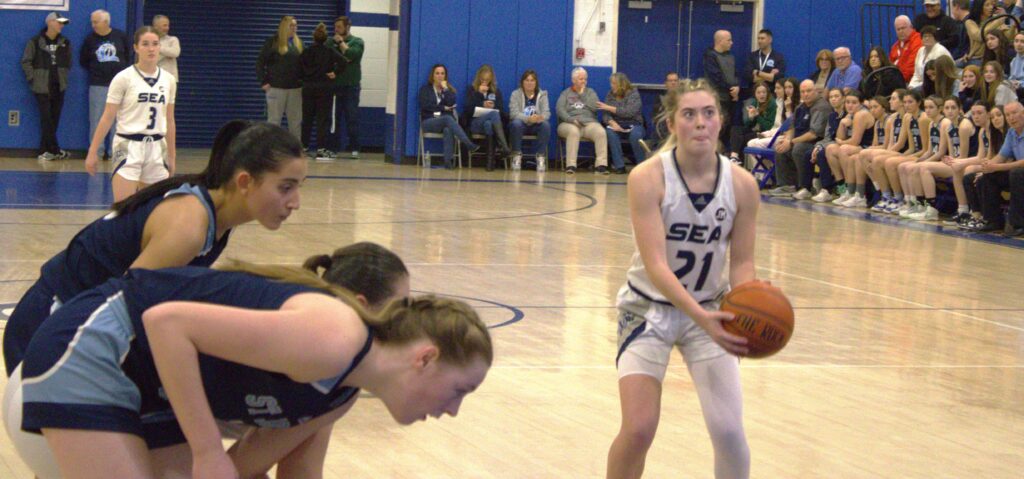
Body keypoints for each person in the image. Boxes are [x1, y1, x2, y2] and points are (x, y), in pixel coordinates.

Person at [9, 261, 490, 478]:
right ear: (425, 357)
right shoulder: (334, 338)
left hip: (148, 381)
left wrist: (214, 460)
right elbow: (165, 322)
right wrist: (205, 452)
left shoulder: (340, 392)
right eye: (459, 390)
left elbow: (239, 467)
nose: (453, 411)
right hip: (96, 342)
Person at [3, 120, 306, 378]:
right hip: (49, 328)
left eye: (298, 187)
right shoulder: (188, 224)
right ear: (244, 182)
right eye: (285, 187)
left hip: (75, 325)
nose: (295, 202)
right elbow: (122, 311)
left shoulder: (215, 217)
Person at [606, 78, 759, 479]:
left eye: (708, 113)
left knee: (729, 432)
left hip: (710, 309)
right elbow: (657, 265)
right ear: (672, 124)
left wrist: (748, 306)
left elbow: (742, 262)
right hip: (647, 309)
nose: (700, 123)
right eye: (688, 115)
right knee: (639, 429)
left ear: (721, 121)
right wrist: (701, 317)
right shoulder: (647, 177)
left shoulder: (742, 185)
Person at [84, 27, 177, 202]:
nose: (151, 49)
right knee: (124, 208)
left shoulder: (169, 80)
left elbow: (170, 120)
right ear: (136, 48)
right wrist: (93, 150)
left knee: (154, 210)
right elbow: (107, 117)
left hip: (157, 146)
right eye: (145, 44)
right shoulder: (123, 78)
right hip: (128, 145)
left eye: (155, 44)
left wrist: (172, 156)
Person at [21, 12, 72, 162]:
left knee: (54, 119)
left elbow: (68, 62)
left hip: (59, 85)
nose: (61, 25)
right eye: (59, 22)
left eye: (63, 23)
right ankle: (55, 150)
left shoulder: (65, 42)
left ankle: (44, 151)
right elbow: (26, 61)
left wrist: (64, 77)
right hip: (42, 86)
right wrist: (33, 79)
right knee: (46, 118)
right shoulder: (35, 41)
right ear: (50, 22)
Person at [81, 9, 130, 162]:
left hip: (119, 85)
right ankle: (96, 151)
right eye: (92, 22)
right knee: (96, 119)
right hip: (98, 85)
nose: (93, 25)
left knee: (119, 120)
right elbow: (83, 60)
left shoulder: (120, 36)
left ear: (105, 22)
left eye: (96, 22)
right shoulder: (90, 40)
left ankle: (115, 152)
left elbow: (128, 56)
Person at [769, 80, 831, 197]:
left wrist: (791, 142)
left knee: (798, 149)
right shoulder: (800, 107)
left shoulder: (821, 107)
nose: (806, 94)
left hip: (817, 143)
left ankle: (805, 186)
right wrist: (787, 140)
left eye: (809, 91)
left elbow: (814, 134)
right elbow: (792, 127)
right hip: (799, 141)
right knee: (780, 147)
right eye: (803, 92)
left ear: (816, 91)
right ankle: (786, 185)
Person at [975, 101, 1024, 235]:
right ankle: (993, 221)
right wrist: (988, 166)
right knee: (987, 176)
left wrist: (997, 166)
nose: (1011, 118)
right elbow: (1001, 156)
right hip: (1018, 174)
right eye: (1007, 115)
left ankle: (1018, 224)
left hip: (1020, 172)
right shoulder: (1012, 133)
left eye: (1014, 113)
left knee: (1017, 173)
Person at [418, 64, 478, 170]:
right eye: (437, 73)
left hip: (444, 121)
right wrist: (443, 108)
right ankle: (468, 143)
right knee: (448, 119)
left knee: (448, 129)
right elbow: (426, 105)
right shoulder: (425, 89)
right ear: (432, 75)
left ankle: (448, 162)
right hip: (429, 121)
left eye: (442, 73)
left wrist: (445, 89)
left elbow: (451, 102)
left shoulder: (448, 90)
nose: (440, 76)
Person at [300, 23, 344, 158]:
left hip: (308, 88)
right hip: (325, 88)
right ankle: (321, 149)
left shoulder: (306, 51)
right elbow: (343, 62)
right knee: (322, 119)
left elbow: (298, 68)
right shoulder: (329, 51)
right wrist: (335, 72)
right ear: (325, 39)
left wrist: (305, 78)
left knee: (307, 118)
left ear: (314, 38)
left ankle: (304, 147)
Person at [257, 16, 304, 141]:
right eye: (291, 25)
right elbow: (260, 63)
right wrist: (264, 81)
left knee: (295, 122)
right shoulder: (272, 42)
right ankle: (271, 149)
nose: (294, 28)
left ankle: (295, 150)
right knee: (274, 121)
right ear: (284, 26)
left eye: (296, 25)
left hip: (295, 89)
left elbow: (304, 65)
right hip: (276, 88)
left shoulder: (299, 44)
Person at [556, 67, 608, 174]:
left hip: (589, 123)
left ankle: (601, 165)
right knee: (573, 132)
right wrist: (570, 119)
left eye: (585, 79)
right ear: (574, 80)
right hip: (569, 123)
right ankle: (571, 165)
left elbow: (594, 107)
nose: (583, 81)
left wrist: (582, 94)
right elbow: (559, 109)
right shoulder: (566, 93)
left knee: (601, 132)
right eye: (581, 79)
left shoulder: (591, 92)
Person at [327, 16, 364, 159]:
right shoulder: (330, 42)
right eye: (335, 27)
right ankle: (332, 148)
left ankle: (354, 147)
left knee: (352, 117)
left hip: (351, 86)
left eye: (339, 27)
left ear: (347, 27)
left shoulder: (357, 42)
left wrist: (341, 43)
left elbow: (351, 56)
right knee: (334, 118)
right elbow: (329, 58)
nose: (336, 30)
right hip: (335, 86)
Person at [462, 64, 511, 171]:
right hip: (475, 123)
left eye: (487, 80)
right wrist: (479, 96)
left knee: (489, 124)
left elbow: (501, 111)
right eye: (483, 79)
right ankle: (504, 146)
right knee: (493, 115)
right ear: (479, 78)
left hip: (490, 124)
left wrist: (494, 106)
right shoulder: (472, 90)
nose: (485, 82)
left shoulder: (495, 92)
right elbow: (468, 110)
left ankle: (490, 163)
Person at [599, 72, 646, 173]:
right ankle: (619, 165)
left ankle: (642, 165)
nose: (612, 86)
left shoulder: (633, 93)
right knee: (610, 133)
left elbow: (629, 112)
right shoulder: (610, 95)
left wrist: (610, 108)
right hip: (616, 124)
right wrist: (611, 122)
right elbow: (605, 114)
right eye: (611, 83)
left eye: (614, 83)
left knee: (635, 136)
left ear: (622, 84)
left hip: (634, 123)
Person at [508, 69, 552, 172]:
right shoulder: (515, 94)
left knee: (545, 125)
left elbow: (547, 113)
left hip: (536, 124)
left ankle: (540, 157)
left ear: (536, 82)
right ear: (522, 82)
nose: (529, 83)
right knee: (516, 124)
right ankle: (517, 155)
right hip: (522, 124)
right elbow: (513, 113)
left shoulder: (543, 95)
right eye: (527, 80)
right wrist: (528, 119)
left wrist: (540, 117)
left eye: (532, 80)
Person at [703, 30, 739, 153]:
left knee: (728, 130)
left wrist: (737, 87)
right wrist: (731, 89)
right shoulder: (710, 56)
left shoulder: (731, 57)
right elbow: (716, 78)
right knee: (718, 129)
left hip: (731, 100)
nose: (731, 43)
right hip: (718, 99)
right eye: (729, 40)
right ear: (720, 41)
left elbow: (735, 75)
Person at [908, 26, 953, 90]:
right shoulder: (920, 51)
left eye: (930, 36)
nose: (927, 38)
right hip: (921, 84)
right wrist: (911, 85)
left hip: (935, 84)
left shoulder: (940, 51)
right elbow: (916, 74)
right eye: (924, 36)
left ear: (935, 38)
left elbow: (942, 75)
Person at [649, 72, 680, 146]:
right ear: (666, 83)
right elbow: (655, 117)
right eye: (670, 81)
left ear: (679, 83)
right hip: (664, 128)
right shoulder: (660, 98)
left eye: (675, 81)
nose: (673, 83)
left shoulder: (684, 98)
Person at [891, 16, 923, 83]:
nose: (901, 31)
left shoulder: (918, 41)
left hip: (911, 82)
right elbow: (889, 64)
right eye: (898, 29)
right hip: (897, 80)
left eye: (903, 28)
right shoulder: (895, 46)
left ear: (911, 27)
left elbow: (911, 68)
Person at [153, 15, 180, 81]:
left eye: (168, 25)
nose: (167, 28)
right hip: (154, 78)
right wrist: (167, 53)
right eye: (164, 25)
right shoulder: (150, 41)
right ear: (156, 27)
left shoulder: (173, 40)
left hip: (170, 78)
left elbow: (175, 53)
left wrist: (158, 48)